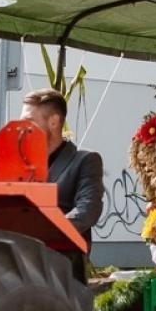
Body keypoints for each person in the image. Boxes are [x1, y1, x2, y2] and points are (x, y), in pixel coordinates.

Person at [18, 88, 104, 279]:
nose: (22, 128)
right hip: (18, 261)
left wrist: (45, 233)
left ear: (54, 122)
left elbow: (88, 208)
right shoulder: (15, 161)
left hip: (62, 266)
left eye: (29, 121)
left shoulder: (85, 161)